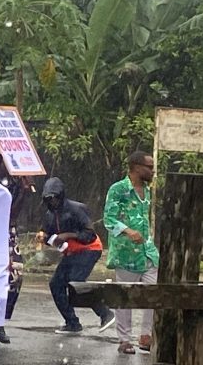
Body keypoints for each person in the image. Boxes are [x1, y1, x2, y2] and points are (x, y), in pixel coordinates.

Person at [40, 177, 115, 335]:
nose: (52, 202)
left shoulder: (76, 209)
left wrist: (68, 235)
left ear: (61, 195)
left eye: (54, 198)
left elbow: (90, 235)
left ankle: (106, 313)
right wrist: (44, 237)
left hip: (89, 248)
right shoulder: (49, 215)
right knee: (56, 284)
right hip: (71, 252)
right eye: (48, 199)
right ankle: (72, 323)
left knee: (76, 282)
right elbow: (49, 235)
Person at [104, 151, 159, 354]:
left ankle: (146, 335)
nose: (152, 171)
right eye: (149, 167)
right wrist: (128, 231)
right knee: (124, 297)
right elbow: (108, 219)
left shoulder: (147, 191)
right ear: (136, 167)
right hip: (126, 253)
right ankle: (124, 339)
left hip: (147, 251)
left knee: (153, 293)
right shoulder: (118, 189)